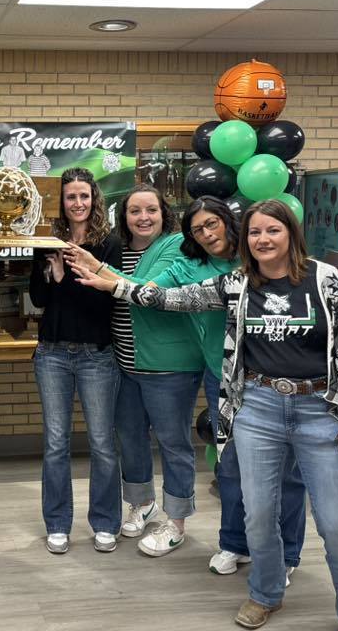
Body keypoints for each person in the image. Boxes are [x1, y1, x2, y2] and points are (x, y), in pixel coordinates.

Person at [78, 199, 338, 631]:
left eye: (272, 231)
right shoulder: (236, 283)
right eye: (256, 233)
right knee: (258, 514)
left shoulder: (327, 281)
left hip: (320, 412)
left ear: (290, 233)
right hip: (257, 408)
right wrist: (110, 283)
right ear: (247, 238)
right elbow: (169, 297)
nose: (263, 239)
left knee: (336, 525)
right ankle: (265, 594)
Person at [65, 183, 203, 557]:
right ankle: (141, 504)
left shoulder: (175, 246)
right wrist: (95, 264)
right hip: (124, 364)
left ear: (164, 214)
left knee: (174, 444)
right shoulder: (120, 249)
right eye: (135, 211)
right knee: (130, 438)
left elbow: (149, 289)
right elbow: (114, 281)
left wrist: (98, 272)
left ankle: (176, 521)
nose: (143, 217)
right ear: (123, 216)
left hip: (170, 368)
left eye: (151, 210)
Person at [28, 168, 122, 554]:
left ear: (94, 198)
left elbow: (104, 300)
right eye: (70, 197)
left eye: (84, 196)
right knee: (55, 443)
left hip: (96, 355)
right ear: (61, 202)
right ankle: (57, 523)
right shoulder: (47, 240)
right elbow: (37, 298)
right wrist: (52, 274)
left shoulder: (108, 243)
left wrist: (65, 275)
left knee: (101, 443)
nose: (78, 203)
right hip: (52, 353)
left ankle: (104, 522)